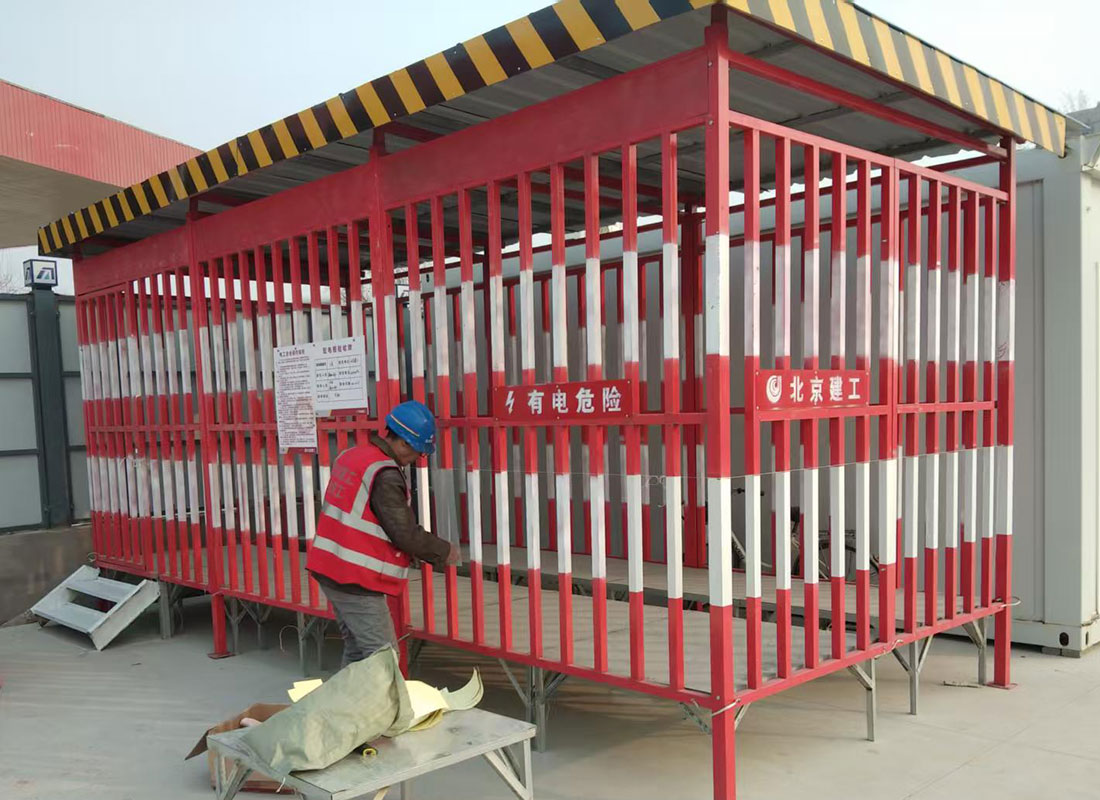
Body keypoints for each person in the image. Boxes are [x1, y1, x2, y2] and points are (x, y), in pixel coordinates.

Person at [307, 400, 459, 666]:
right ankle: (376, 696)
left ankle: (349, 694)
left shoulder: (353, 456)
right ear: (404, 444)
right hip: (354, 578)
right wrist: (444, 552)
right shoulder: (385, 474)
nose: (417, 459)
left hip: (331, 567)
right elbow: (404, 533)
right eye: (418, 452)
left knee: (359, 652)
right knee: (382, 658)